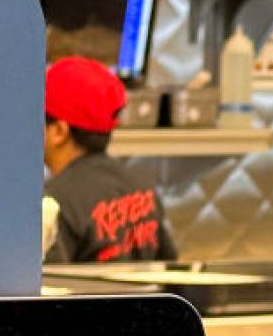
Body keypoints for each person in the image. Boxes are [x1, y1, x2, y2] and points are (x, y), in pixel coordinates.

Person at [41, 57, 178, 263]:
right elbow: (170, 265)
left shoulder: (53, 203)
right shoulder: (141, 187)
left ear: (59, 131)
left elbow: (52, 287)